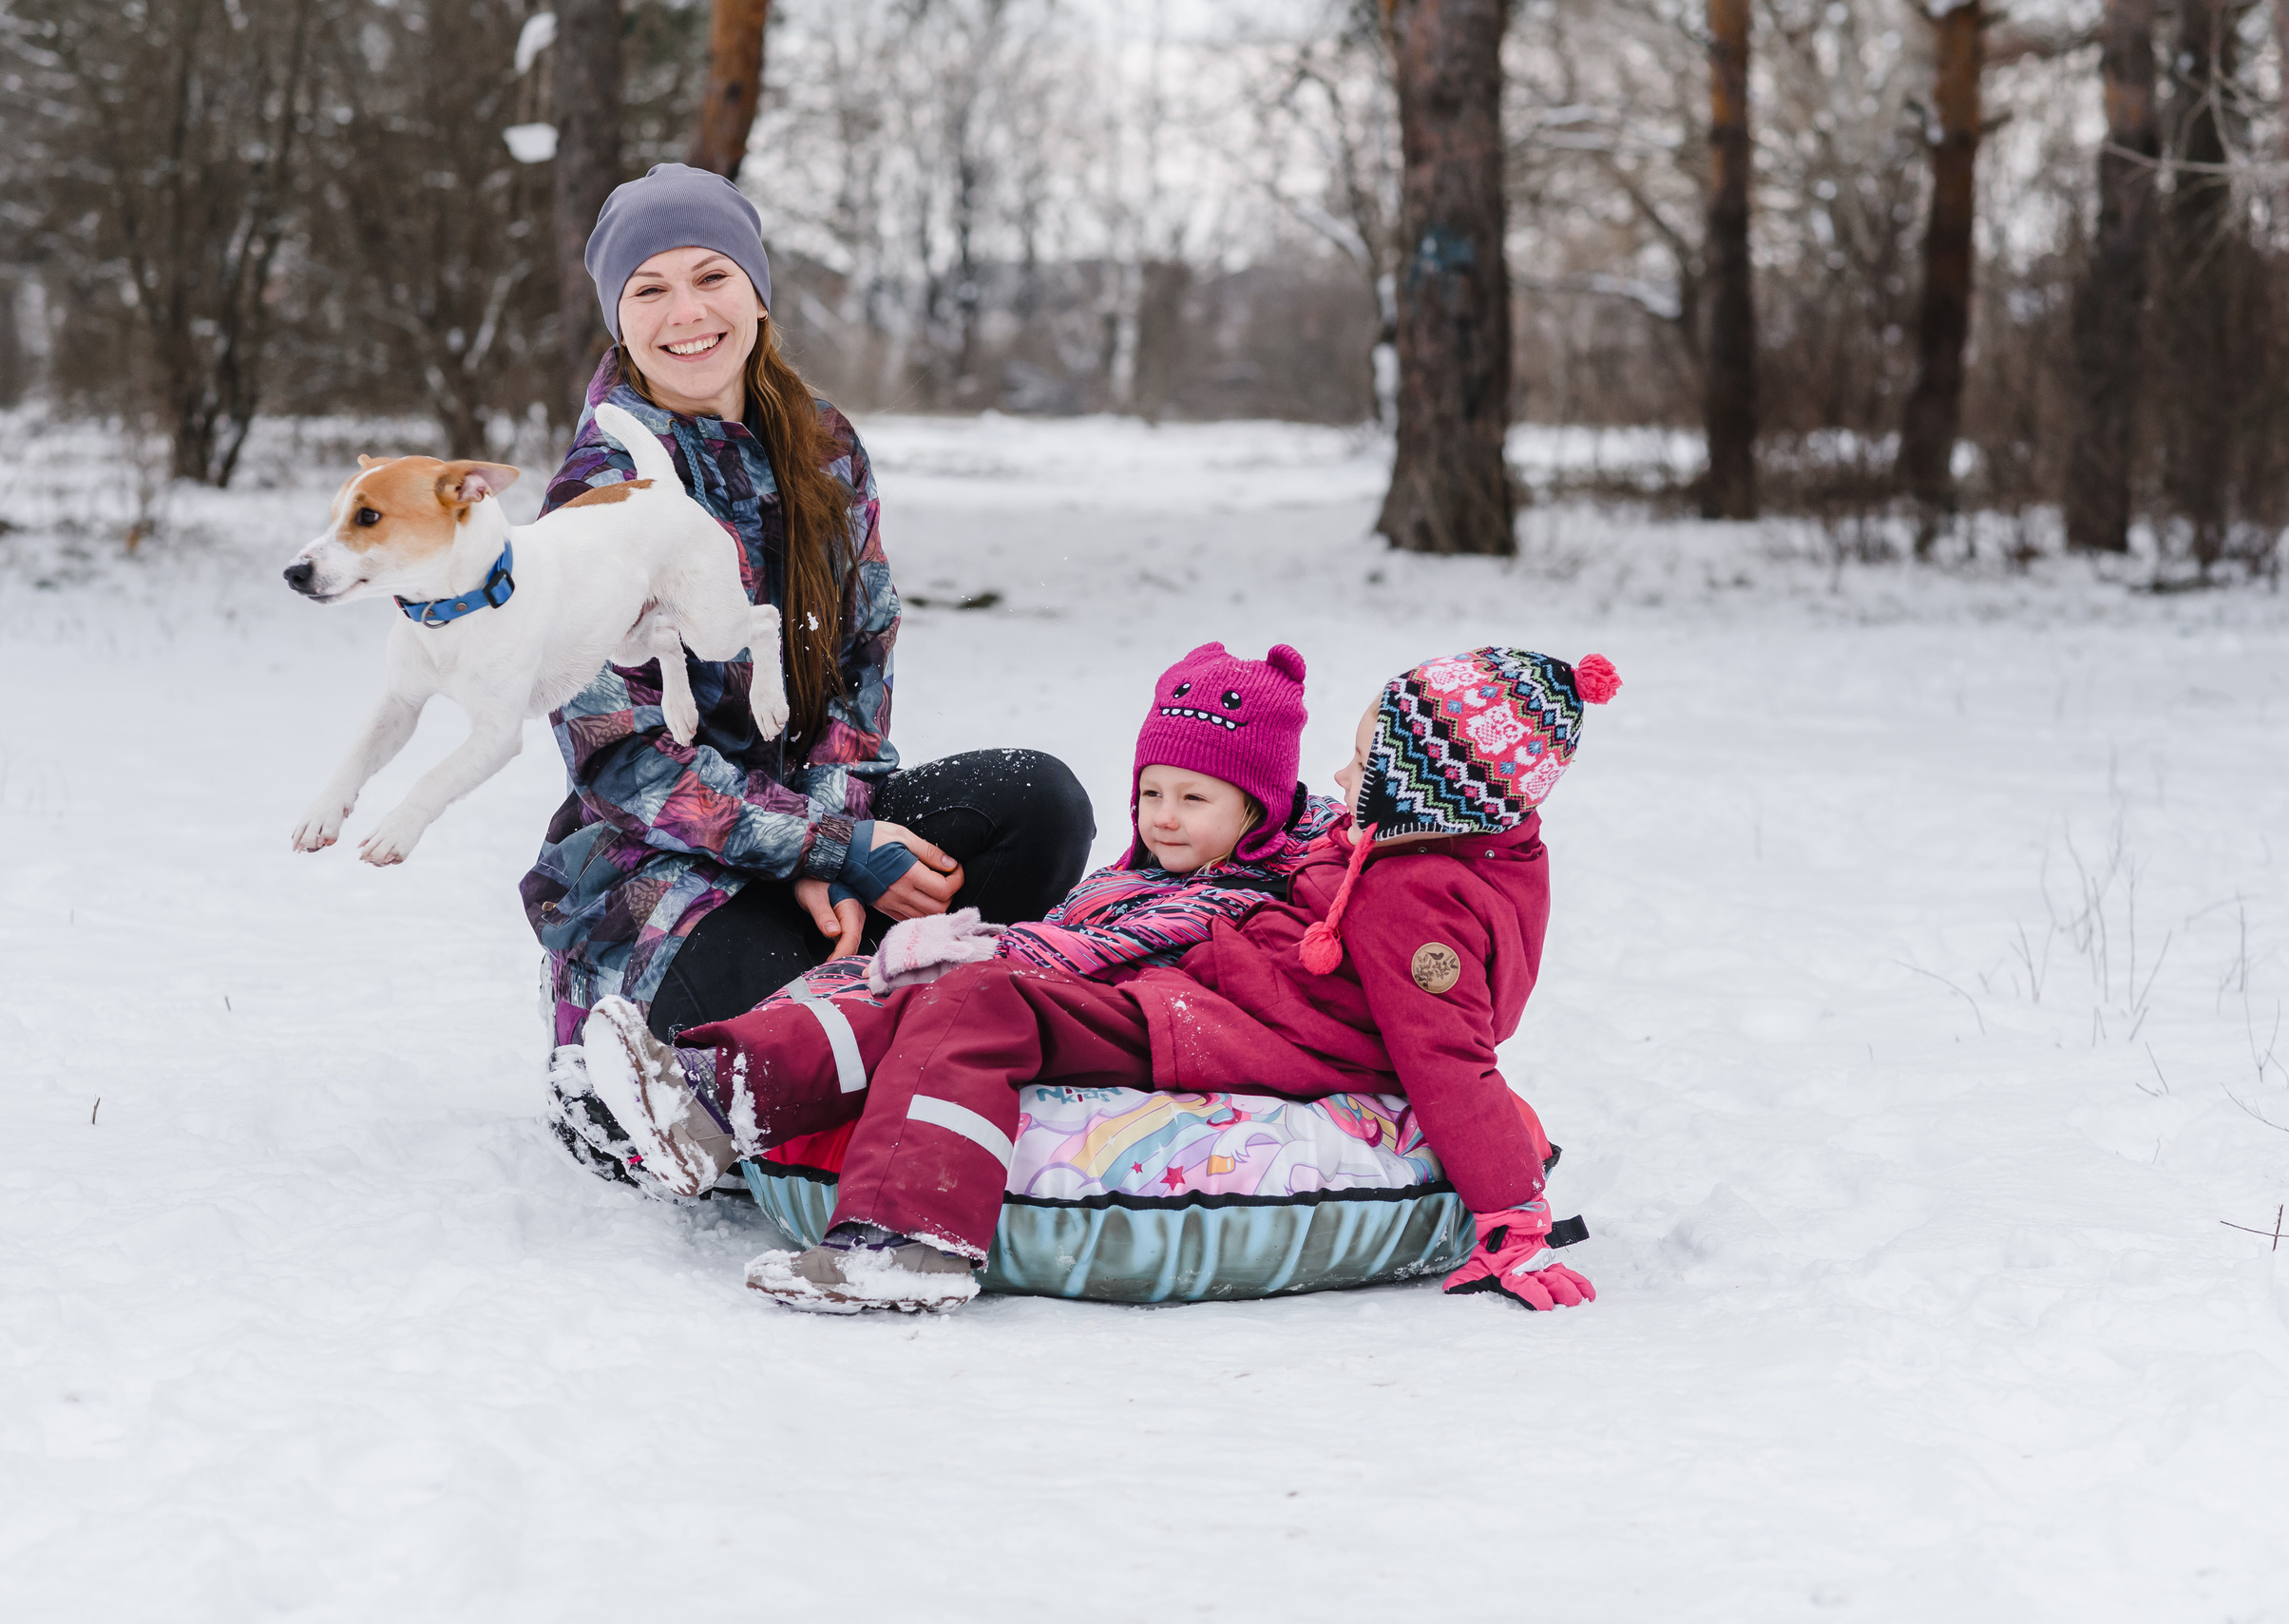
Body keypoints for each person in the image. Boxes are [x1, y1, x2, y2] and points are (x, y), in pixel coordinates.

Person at [594, 645, 1616, 1316]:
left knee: (972, 998)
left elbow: (1450, 1056)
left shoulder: (1419, 899)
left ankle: (908, 1239)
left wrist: (1513, 1212)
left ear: (1424, 785)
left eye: (1362, 763)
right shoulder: (1395, 847)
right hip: (1187, 1000)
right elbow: (1276, 821)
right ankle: (714, 1097)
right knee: (943, 988)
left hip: (1212, 1031)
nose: (1339, 785)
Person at [525, 163, 1094, 1181]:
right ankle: (628, 1075)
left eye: (711, 276)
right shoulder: (598, 497)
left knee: (1037, 802)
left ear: (756, 290)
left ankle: (885, 1038)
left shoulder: (824, 446)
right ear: (618, 316)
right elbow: (624, 769)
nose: (687, 312)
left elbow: (859, 669)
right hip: (658, 872)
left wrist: (838, 837)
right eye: (649, 289)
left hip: (820, 827)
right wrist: (822, 848)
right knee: (773, 986)